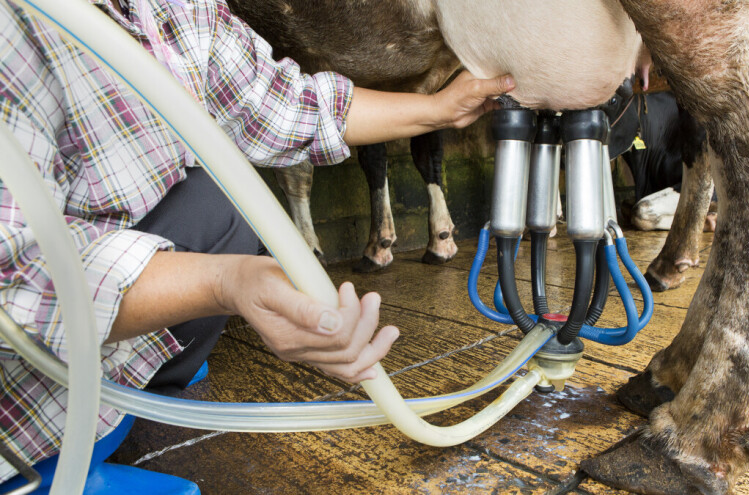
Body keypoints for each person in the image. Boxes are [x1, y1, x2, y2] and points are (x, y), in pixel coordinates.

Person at [0, 0, 515, 481]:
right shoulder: (17, 26)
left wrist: (444, 108)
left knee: (221, 205)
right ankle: (117, 403)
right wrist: (228, 281)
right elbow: (15, 283)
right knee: (223, 208)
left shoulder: (173, 7)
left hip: (102, 334)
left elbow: (285, 104)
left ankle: (151, 367)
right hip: (25, 412)